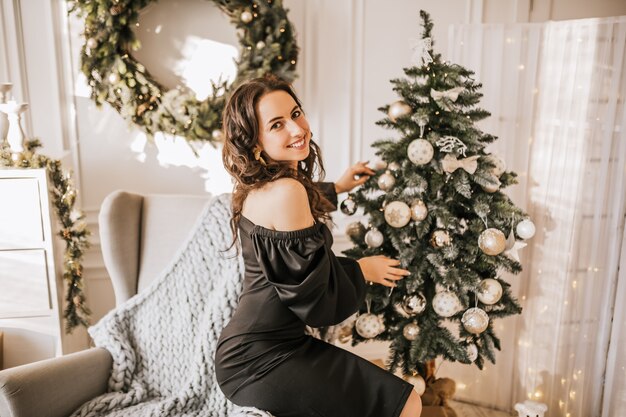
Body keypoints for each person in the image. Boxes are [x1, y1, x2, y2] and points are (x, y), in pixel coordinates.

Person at [215, 75, 422, 417]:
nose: (297, 130)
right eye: (277, 124)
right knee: (405, 403)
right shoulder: (287, 191)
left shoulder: (264, 187)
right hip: (260, 359)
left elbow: (291, 224)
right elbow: (317, 304)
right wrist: (363, 268)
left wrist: (338, 187)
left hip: (258, 348)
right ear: (255, 142)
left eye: (296, 114)